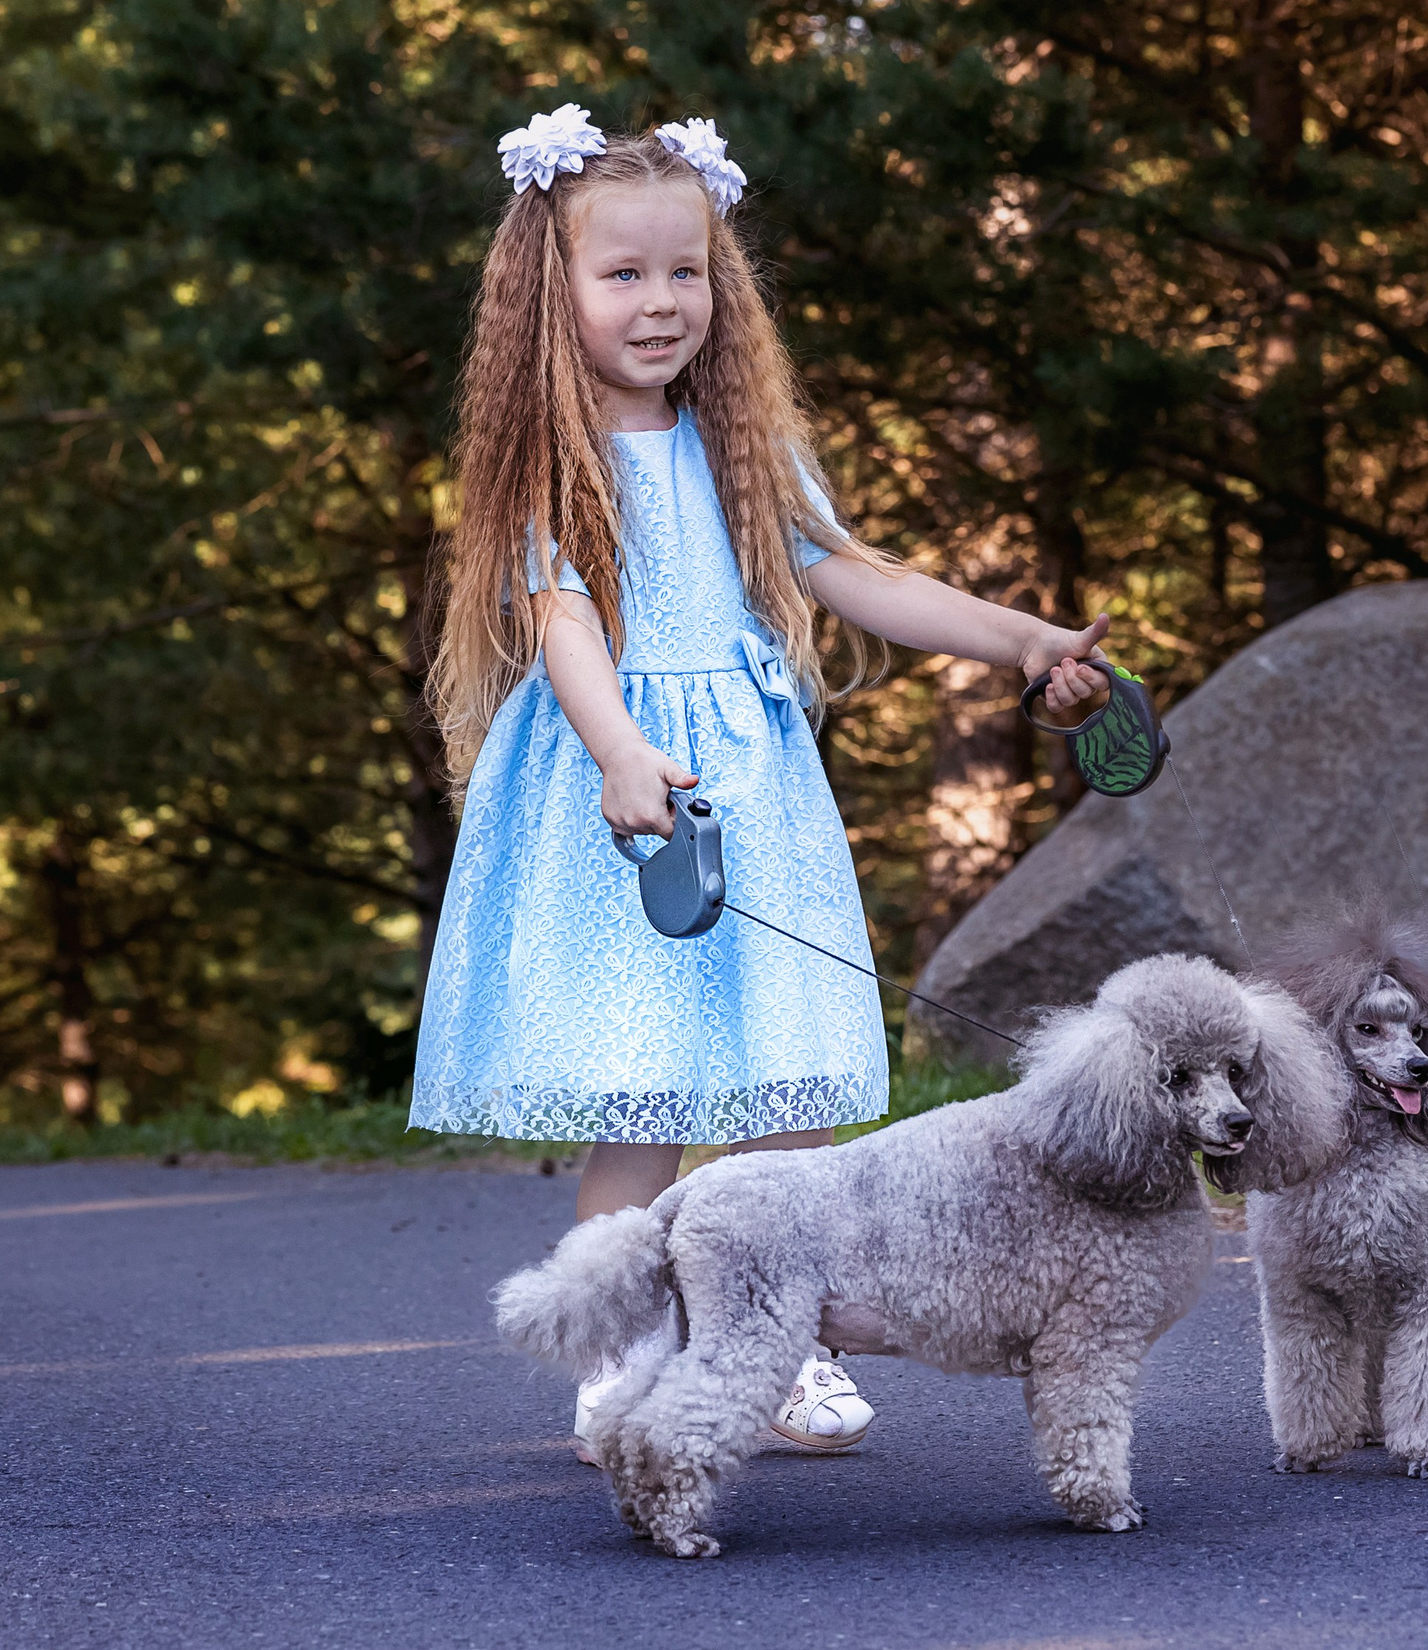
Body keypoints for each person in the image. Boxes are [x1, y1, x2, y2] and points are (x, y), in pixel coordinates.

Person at [413, 106, 1110, 1463]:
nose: (662, 300)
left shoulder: (744, 454)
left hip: (755, 797)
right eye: (624, 275)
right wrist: (620, 749)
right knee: (648, 1093)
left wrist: (1021, 638)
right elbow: (560, 624)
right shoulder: (557, 461)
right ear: (551, 291)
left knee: (788, 1090)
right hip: (628, 802)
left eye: (687, 272)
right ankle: (620, 1357)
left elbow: (859, 573)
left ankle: (770, 1341)